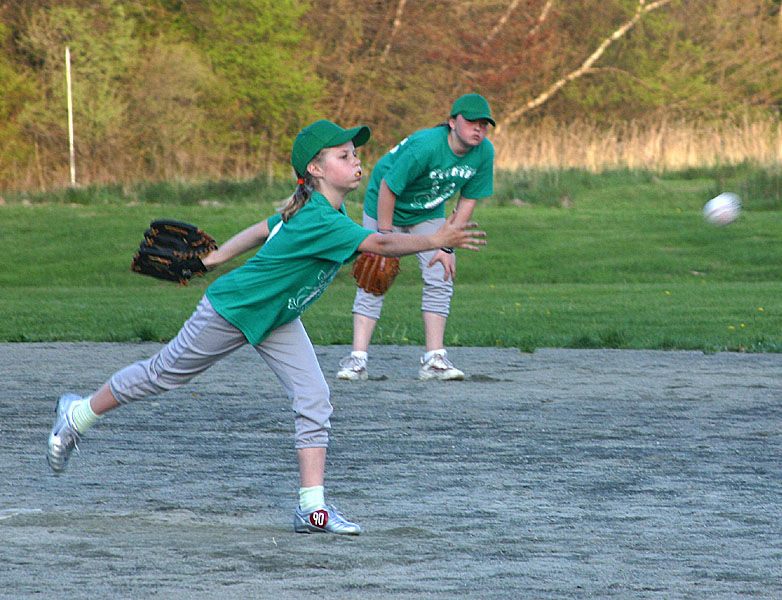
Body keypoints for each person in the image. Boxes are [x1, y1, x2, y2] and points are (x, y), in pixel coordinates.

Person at [46, 119, 486, 536]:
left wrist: (214, 258)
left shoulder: (318, 207)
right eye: (344, 155)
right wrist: (435, 239)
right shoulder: (321, 218)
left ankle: (312, 509)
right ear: (316, 169)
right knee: (162, 374)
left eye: (355, 154)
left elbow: (264, 228)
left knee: (314, 395)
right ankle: (77, 413)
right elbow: (383, 242)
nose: (357, 162)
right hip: (233, 310)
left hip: (278, 317)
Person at [337, 93, 495, 382]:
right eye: (471, 122)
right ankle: (356, 360)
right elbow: (388, 187)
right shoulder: (426, 146)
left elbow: (469, 198)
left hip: (428, 213)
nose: (478, 129)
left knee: (441, 272)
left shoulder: (484, 152)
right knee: (375, 276)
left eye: (484, 124)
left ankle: (434, 359)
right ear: (451, 122)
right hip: (385, 206)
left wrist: (447, 244)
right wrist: (383, 239)